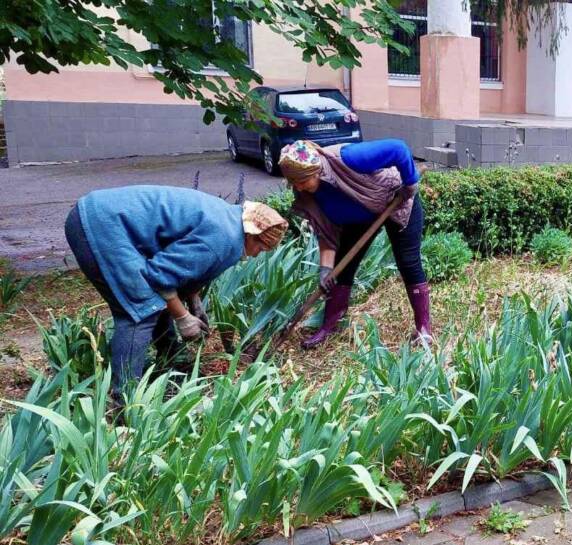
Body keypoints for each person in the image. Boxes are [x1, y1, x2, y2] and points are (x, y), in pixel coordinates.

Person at [64, 186, 288, 402]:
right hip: (100, 226)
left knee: (155, 302)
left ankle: (171, 361)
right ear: (252, 235)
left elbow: (183, 267)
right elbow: (159, 276)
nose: (258, 255)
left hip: (101, 215)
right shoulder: (224, 240)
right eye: (262, 248)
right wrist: (183, 318)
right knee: (140, 311)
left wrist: (194, 301)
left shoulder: (229, 219)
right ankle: (125, 399)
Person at [278, 139, 429, 348]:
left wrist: (410, 183)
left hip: (396, 201)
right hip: (360, 215)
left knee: (408, 261)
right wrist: (325, 269)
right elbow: (326, 231)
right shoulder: (305, 192)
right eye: (293, 183)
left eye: (301, 181)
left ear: (316, 171)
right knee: (342, 268)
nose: (298, 187)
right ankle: (330, 326)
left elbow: (399, 149)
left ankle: (423, 329)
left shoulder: (348, 158)